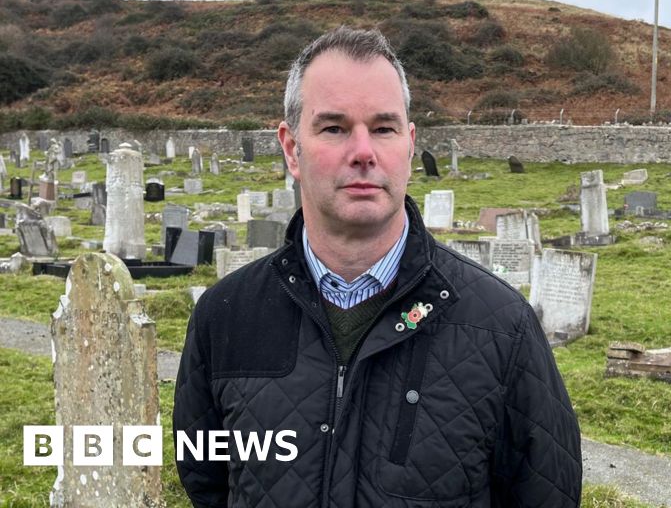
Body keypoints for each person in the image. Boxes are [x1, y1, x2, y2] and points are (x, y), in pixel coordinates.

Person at [173, 26, 582, 507]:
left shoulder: (502, 327)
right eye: (334, 128)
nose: (363, 151)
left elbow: (545, 493)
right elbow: (208, 483)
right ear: (290, 148)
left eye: (383, 128)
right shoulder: (225, 315)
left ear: (409, 144)